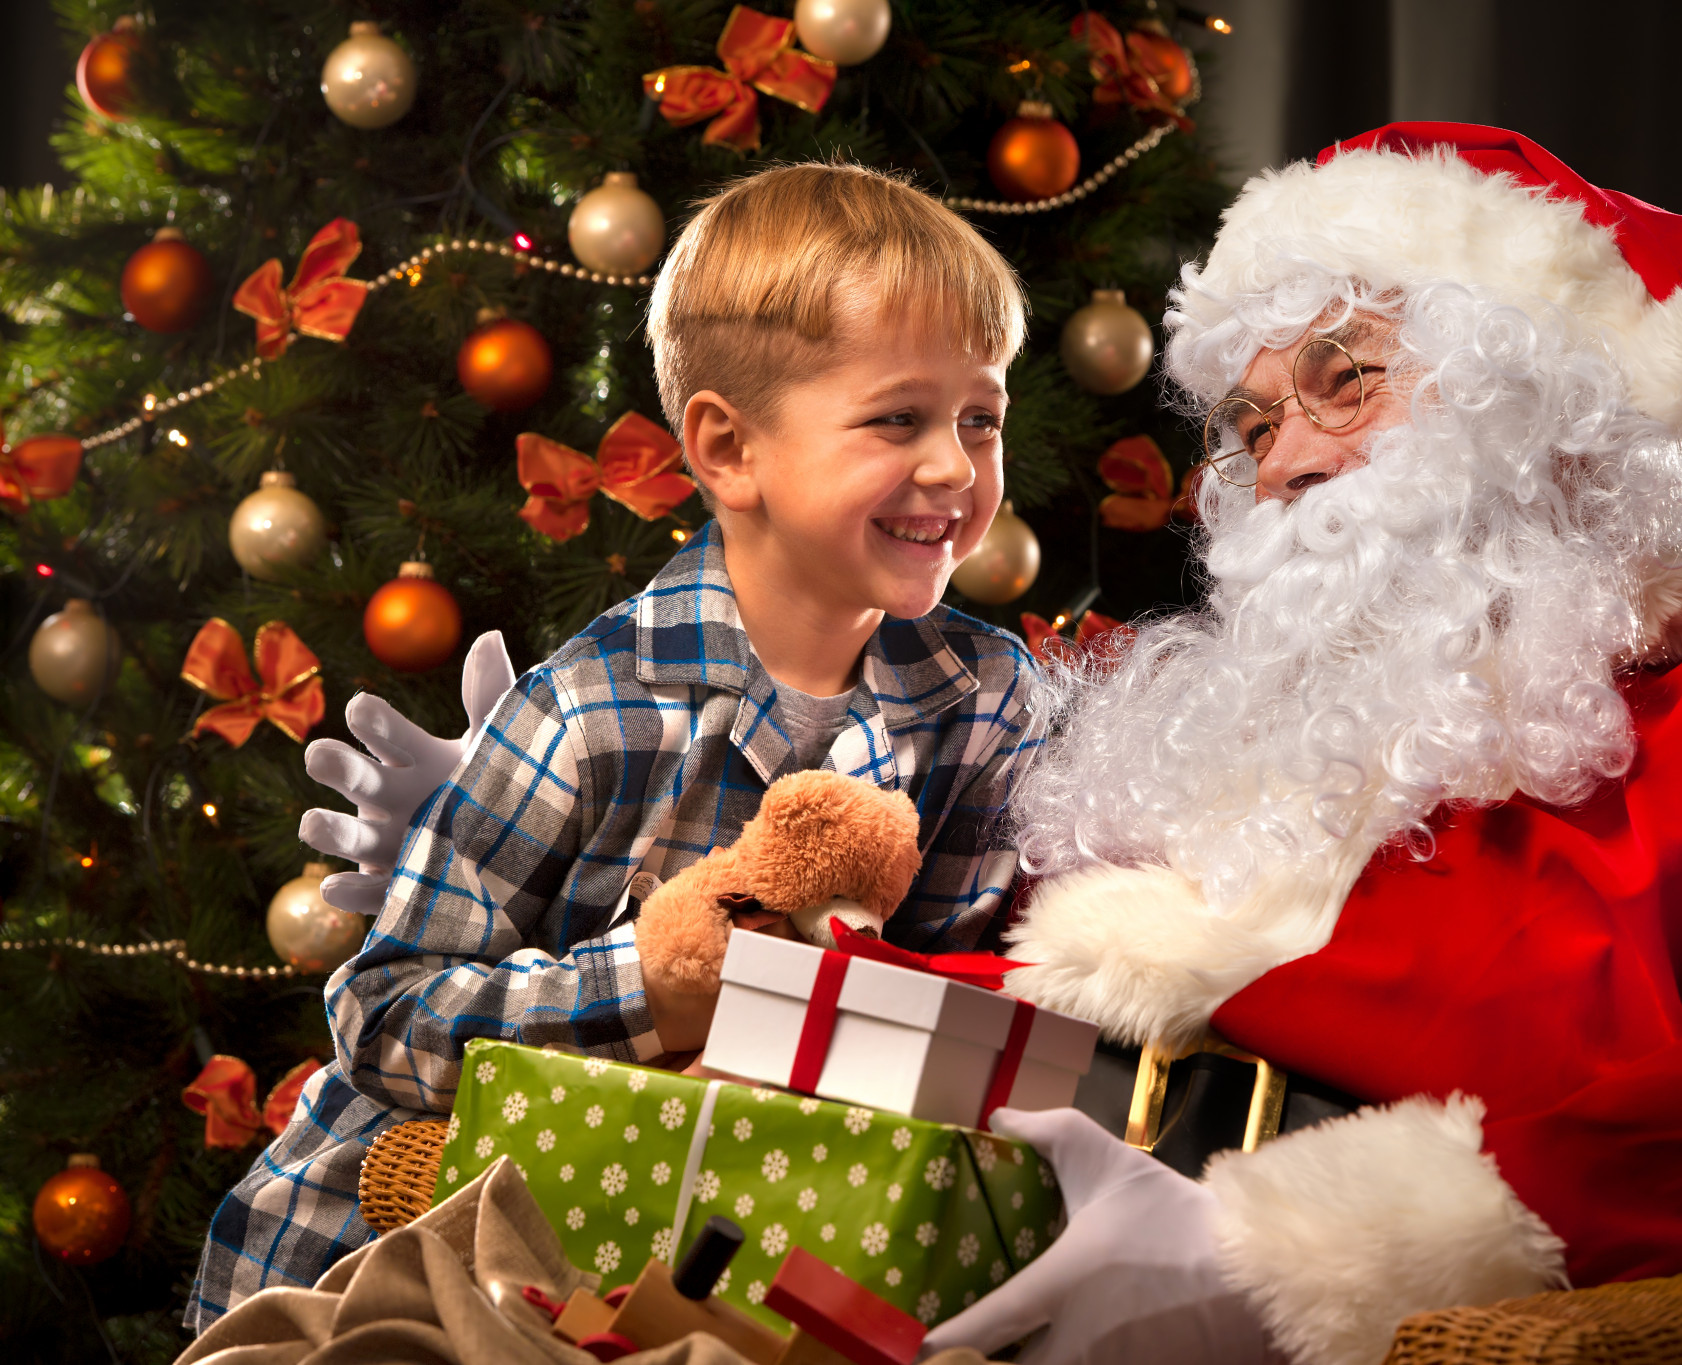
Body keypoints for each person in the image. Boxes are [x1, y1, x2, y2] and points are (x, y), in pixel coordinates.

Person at [923, 124, 1682, 1365]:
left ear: (1537, 396)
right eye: (1249, 423)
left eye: (1343, 381)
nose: (1278, 463)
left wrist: (1281, 1260)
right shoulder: (1244, 745)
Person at [187, 162, 1044, 1327]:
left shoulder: (983, 704)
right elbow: (387, 1015)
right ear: (728, 451)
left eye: (979, 417)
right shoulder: (593, 709)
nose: (953, 466)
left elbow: (952, 1010)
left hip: (702, 1258)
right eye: (896, 418)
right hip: (404, 1273)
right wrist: (658, 987)